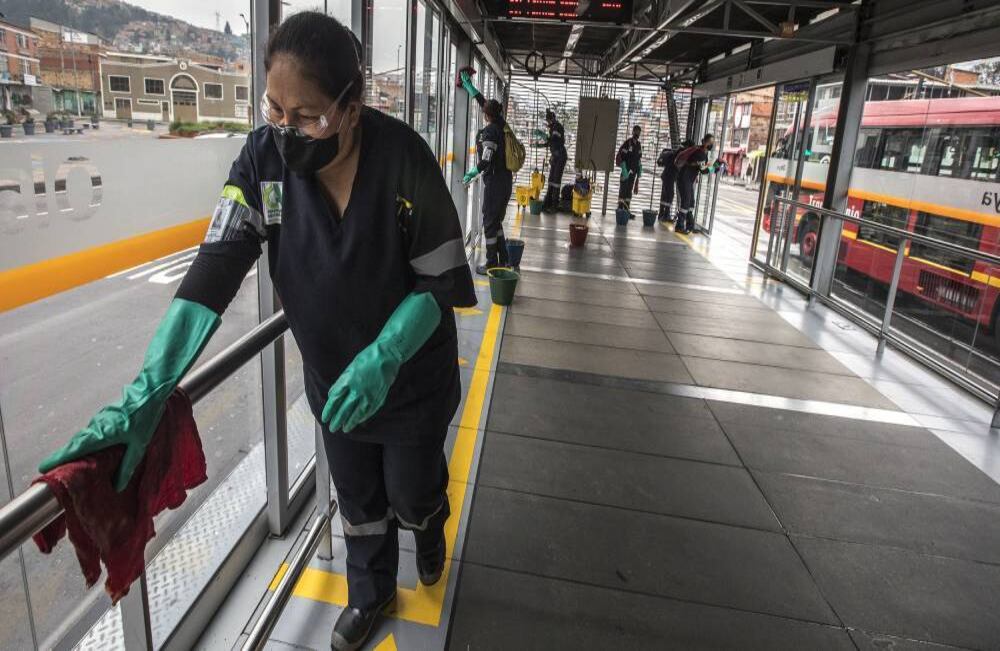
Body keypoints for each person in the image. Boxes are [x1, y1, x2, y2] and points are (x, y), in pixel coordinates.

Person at [38, 14, 476, 651]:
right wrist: (149, 388)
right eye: (275, 109)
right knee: (357, 499)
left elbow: (439, 282)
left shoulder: (404, 159)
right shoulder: (262, 160)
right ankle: (370, 591)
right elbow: (217, 262)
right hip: (334, 381)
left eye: (308, 117)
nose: (286, 130)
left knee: (410, 493)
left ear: (351, 109)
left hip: (410, 379)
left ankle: (428, 522)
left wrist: (385, 354)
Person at [458, 68, 513, 274]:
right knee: (495, 221)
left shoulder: (490, 131)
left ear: (487, 116)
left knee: (489, 222)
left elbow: (486, 160)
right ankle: (504, 259)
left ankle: (491, 263)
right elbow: (486, 104)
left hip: (496, 183)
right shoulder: (500, 122)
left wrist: (473, 172)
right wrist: (471, 88)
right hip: (505, 181)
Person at [675, 133, 724, 234]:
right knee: (686, 202)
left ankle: (690, 225)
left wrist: (714, 166)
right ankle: (679, 226)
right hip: (685, 179)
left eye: (712, 143)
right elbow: (703, 171)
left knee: (691, 203)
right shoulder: (700, 153)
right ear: (704, 142)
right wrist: (715, 166)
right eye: (710, 142)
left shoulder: (702, 152)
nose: (711, 145)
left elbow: (703, 167)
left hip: (687, 179)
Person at [534, 108, 567, 213]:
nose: (547, 123)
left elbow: (554, 140)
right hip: (555, 157)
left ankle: (554, 205)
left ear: (551, 119)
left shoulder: (557, 127)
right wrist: (540, 145)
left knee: (556, 181)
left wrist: (543, 136)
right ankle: (548, 203)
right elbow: (550, 143)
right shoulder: (553, 128)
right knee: (551, 180)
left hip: (560, 156)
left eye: (548, 121)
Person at [655, 138, 690, 223]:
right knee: (670, 195)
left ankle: (661, 214)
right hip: (670, 176)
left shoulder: (678, 151)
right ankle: (665, 215)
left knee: (665, 195)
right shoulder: (681, 153)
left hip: (667, 176)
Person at [616, 125, 643, 214]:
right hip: (626, 171)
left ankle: (626, 210)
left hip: (633, 172)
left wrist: (639, 172)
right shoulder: (627, 143)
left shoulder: (638, 145)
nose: (637, 134)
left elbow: (639, 159)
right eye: (636, 132)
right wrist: (624, 170)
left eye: (638, 132)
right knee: (623, 190)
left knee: (629, 191)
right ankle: (620, 209)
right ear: (632, 132)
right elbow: (622, 157)